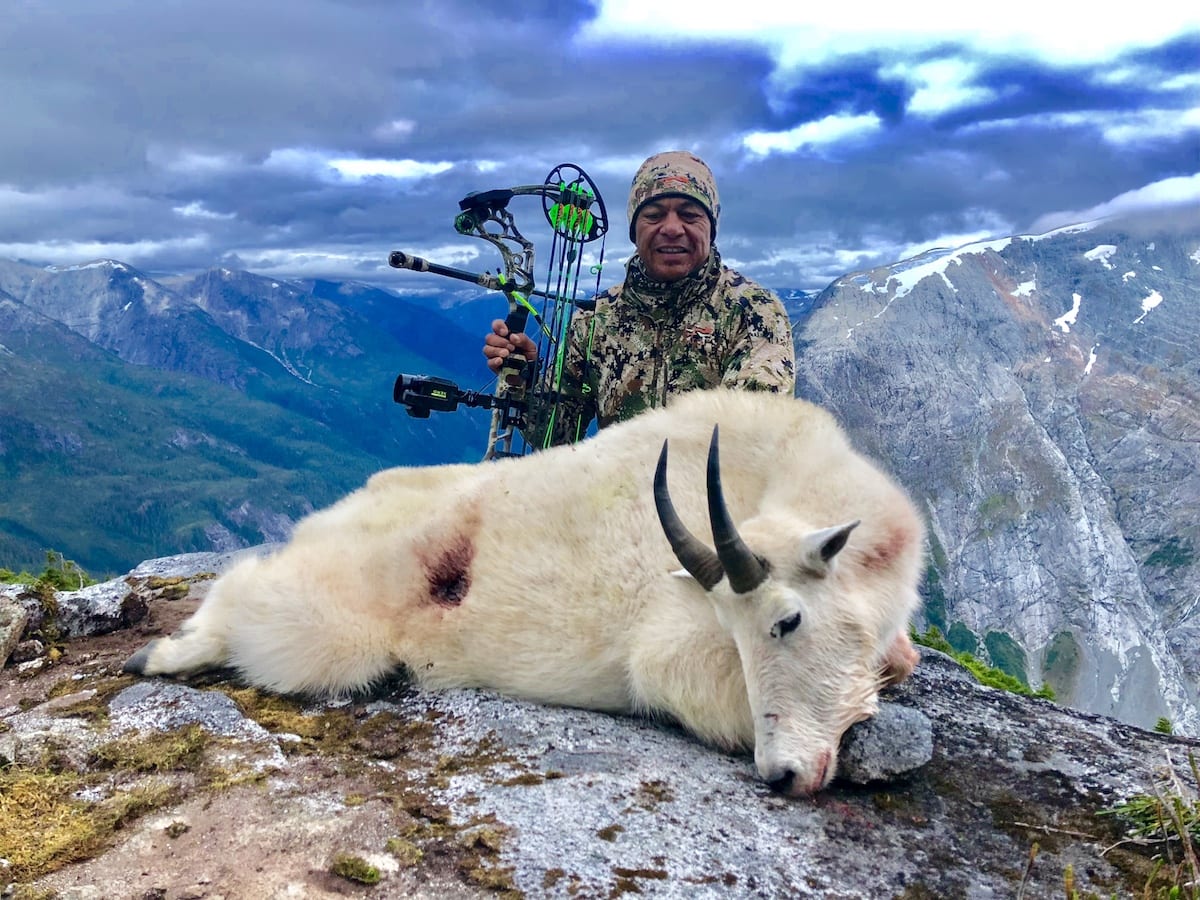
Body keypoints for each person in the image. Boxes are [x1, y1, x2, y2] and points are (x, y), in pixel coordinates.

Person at [482, 150, 795, 447]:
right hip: (616, 498)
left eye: (689, 215)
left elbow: (751, 437)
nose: (672, 228)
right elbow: (555, 437)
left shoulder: (754, 312)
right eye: (654, 215)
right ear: (634, 230)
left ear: (711, 228)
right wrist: (525, 377)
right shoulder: (595, 318)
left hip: (710, 501)